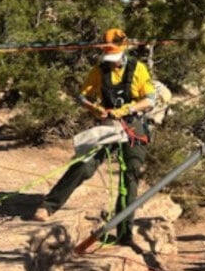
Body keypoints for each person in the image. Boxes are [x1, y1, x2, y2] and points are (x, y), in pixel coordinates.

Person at [33, 28, 157, 243]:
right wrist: (94, 108)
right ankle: (48, 206)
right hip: (108, 125)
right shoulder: (98, 71)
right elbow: (82, 97)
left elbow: (150, 100)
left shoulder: (139, 69)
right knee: (84, 164)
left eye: (115, 58)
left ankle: (124, 233)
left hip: (133, 126)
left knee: (130, 175)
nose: (112, 63)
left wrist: (127, 110)